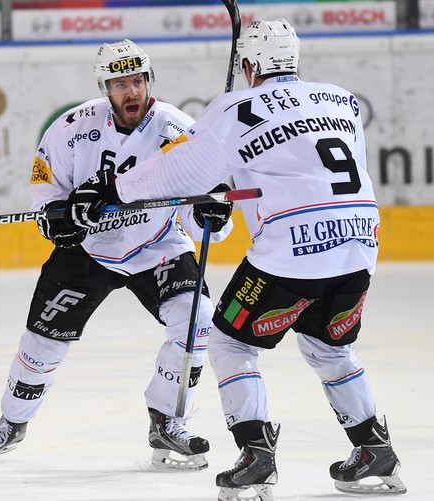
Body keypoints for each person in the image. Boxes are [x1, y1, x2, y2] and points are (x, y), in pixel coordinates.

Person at [63, 19, 405, 499]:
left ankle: (256, 457)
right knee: (329, 346)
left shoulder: (236, 107)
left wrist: (112, 189)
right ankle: (374, 450)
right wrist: (224, 183)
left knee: (228, 343)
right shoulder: (341, 99)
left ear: (248, 65)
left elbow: (180, 170)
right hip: (358, 245)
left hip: (292, 250)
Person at [0, 39, 235, 470]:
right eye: (120, 83)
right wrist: (53, 218)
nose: (132, 92)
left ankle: (166, 419)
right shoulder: (72, 127)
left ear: (149, 81)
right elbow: (46, 189)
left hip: (156, 246)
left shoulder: (179, 130)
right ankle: (11, 422)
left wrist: (211, 215)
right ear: (105, 88)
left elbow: (206, 214)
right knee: (42, 344)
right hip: (89, 250)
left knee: (197, 319)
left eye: (138, 81)